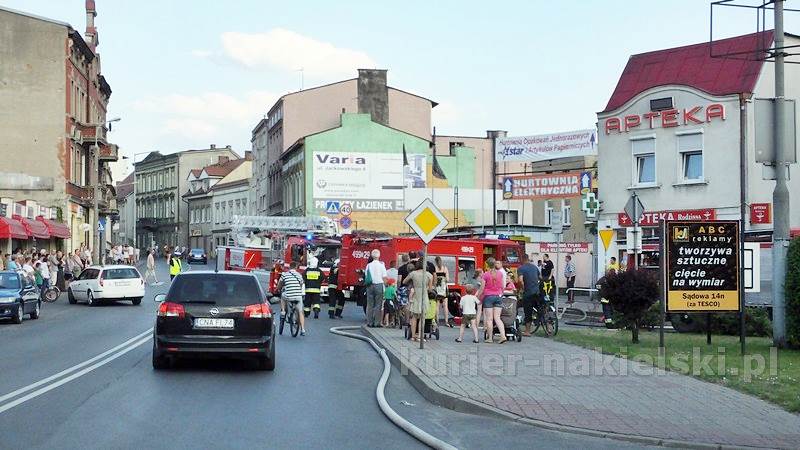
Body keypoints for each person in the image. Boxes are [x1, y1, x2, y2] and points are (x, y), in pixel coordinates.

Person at [477, 257, 508, 344]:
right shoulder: (500, 274)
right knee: (497, 318)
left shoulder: (485, 275)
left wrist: (478, 297)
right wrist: (500, 293)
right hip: (498, 296)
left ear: (487, 264)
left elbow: (482, 288)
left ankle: (490, 338)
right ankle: (503, 336)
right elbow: (502, 286)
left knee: (489, 319)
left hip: (488, 297)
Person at [404, 259, 433, 342]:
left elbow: (404, 281)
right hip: (424, 296)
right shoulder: (429, 275)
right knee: (422, 318)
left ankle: (413, 336)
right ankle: (420, 336)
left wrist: (412, 285)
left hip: (415, 295)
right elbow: (430, 289)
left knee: (414, 317)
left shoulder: (413, 273)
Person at [277, 261, 306, 336]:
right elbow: (301, 284)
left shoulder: (284, 275)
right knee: (300, 311)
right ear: (296, 267)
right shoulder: (299, 275)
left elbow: (280, 285)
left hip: (289, 295)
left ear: (289, 267)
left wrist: (278, 288)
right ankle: (302, 329)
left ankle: (283, 311)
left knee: (283, 296)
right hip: (298, 296)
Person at [517, 253, 541, 336]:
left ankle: (527, 331)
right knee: (540, 309)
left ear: (522, 259)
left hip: (528, 292)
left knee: (528, 311)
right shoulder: (534, 267)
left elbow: (520, 280)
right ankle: (548, 327)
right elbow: (539, 277)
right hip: (537, 291)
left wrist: (522, 288)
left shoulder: (521, 268)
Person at [365, 249, 388, 328]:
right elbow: (384, 277)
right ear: (379, 256)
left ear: (372, 256)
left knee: (370, 304)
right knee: (378, 304)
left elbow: (366, 275)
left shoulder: (368, 265)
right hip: (379, 285)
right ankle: (377, 322)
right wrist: (386, 286)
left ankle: (369, 322)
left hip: (370, 285)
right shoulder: (381, 265)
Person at [434, 256, 451, 327]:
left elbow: (434, 280)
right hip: (444, 289)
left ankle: (437, 321)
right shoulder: (445, 268)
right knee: (445, 305)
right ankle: (446, 321)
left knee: (437, 305)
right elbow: (447, 279)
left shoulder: (435, 268)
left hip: (437, 288)